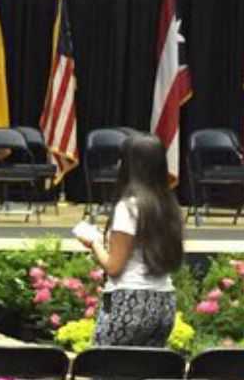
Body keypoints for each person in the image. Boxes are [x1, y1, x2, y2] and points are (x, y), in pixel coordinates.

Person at [77, 130, 185, 346]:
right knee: (145, 372)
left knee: (106, 370)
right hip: (164, 301)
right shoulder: (169, 206)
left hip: (130, 299)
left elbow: (114, 267)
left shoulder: (128, 207)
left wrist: (95, 243)